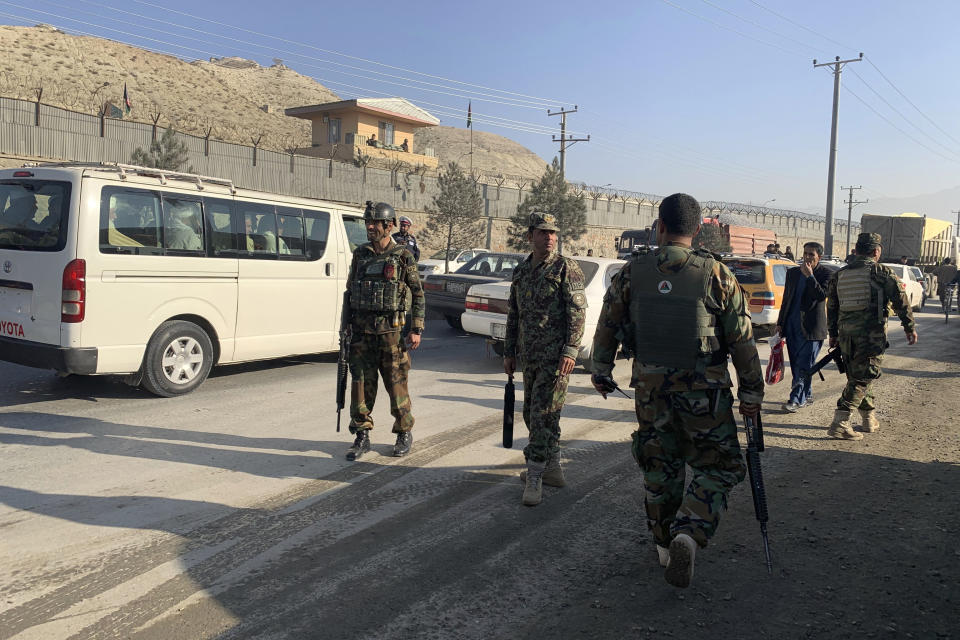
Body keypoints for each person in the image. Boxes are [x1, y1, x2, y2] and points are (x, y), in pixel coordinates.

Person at [589, 193, 763, 589]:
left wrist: (601, 369)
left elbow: (607, 326)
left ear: (659, 226)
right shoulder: (717, 275)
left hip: (651, 393)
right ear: (698, 229)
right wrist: (751, 393)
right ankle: (691, 530)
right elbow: (743, 341)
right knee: (721, 466)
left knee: (660, 466)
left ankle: (665, 544)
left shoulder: (632, 273)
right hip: (705, 394)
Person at [504, 212, 586, 507]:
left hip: (555, 360)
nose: (549, 237)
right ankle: (552, 468)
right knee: (535, 414)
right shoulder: (522, 271)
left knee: (542, 416)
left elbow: (577, 314)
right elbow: (514, 314)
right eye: (543, 233)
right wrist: (509, 351)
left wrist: (570, 350)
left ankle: (535, 473)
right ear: (531, 237)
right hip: (530, 357)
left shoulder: (567, 268)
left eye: (553, 233)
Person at [343, 201, 425, 461]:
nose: (369, 226)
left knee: (396, 383)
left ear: (388, 226)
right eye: (368, 222)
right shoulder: (360, 255)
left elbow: (417, 293)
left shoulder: (403, 255)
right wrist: (345, 328)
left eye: (375, 222)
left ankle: (403, 432)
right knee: (360, 386)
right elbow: (349, 292)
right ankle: (361, 434)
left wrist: (417, 328)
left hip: (391, 332)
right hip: (361, 333)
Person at [825, 232, 917, 440]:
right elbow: (900, 299)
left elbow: (832, 306)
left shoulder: (840, 274)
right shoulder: (881, 272)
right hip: (870, 335)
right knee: (864, 376)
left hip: (846, 336)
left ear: (856, 250)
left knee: (858, 376)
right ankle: (840, 422)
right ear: (876, 251)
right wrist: (909, 327)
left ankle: (868, 419)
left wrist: (833, 334)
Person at [775, 242, 830, 412]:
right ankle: (807, 393)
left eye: (811, 255)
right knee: (796, 365)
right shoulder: (792, 273)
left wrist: (810, 277)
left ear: (818, 257)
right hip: (792, 326)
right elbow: (786, 299)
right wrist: (780, 323)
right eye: (805, 253)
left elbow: (820, 296)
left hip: (812, 329)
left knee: (805, 364)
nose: (807, 257)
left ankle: (796, 399)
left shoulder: (826, 274)